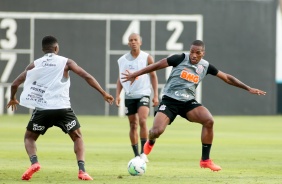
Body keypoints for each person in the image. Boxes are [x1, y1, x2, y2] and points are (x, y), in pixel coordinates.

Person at [121, 40, 266, 171]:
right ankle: (150, 142)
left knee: (208, 120)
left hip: (187, 102)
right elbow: (157, 65)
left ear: (203, 53)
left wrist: (248, 88)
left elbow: (227, 77)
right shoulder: (179, 58)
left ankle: (205, 160)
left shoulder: (205, 66)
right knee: (157, 131)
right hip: (170, 100)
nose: (194, 55)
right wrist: (136, 74)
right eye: (192, 52)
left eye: (198, 53)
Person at [6, 35, 114, 181]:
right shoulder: (66, 62)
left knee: (29, 138)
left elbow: (14, 84)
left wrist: (13, 98)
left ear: (43, 49)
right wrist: (103, 93)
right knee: (78, 137)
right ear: (56, 48)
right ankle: (82, 171)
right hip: (63, 109)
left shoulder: (34, 64)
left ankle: (34, 162)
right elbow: (86, 76)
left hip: (42, 110)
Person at [116, 33, 159, 162]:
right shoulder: (122, 60)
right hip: (129, 95)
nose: (133, 42)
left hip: (143, 93)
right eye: (131, 40)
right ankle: (136, 155)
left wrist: (155, 94)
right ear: (128, 43)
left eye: (135, 40)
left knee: (142, 120)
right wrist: (118, 94)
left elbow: (153, 76)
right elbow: (120, 78)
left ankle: (143, 153)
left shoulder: (147, 58)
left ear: (140, 42)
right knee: (133, 124)